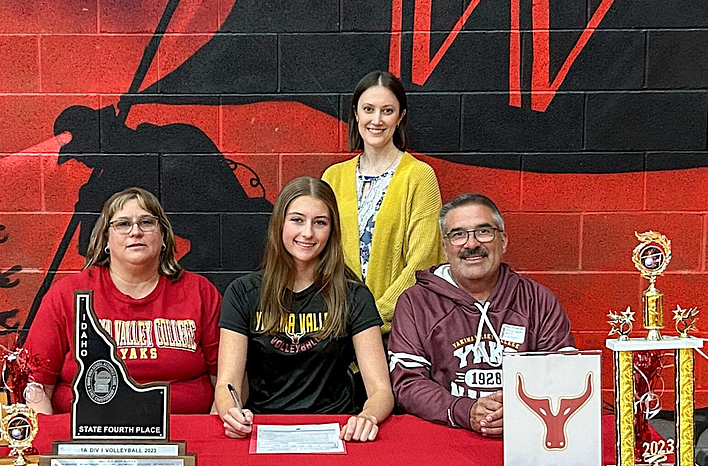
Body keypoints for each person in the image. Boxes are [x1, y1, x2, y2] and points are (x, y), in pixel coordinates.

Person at [215, 177, 393, 442]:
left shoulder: (354, 295)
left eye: (320, 222)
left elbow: (380, 389)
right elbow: (226, 382)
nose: (308, 233)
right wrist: (232, 413)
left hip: (337, 429)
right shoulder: (243, 292)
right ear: (280, 224)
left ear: (332, 230)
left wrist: (367, 417)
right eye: (297, 220)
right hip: (262, 428)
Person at [387, 193, 575, 436]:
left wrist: (520, 409)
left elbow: (565, 374)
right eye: (458, 235)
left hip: (527, 436)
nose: (471, 244)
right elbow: (408, 384)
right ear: (444, 248)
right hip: (445, 438)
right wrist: (465, 411)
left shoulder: (538, 301)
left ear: (504, 241)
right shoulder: (416, 303)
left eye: (484, 232)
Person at [24, 187, 222, 414]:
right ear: (106, 240)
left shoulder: (200, 292)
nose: (135, 232)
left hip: (184, 439)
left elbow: (229, 384)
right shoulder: (66, 295)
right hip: (85, 441)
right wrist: (47, 441)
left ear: (164, 236)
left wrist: (211, 437)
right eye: (123, 224)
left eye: (147, 222)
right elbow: (35, 386)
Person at [322, 71, 444, 331]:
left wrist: (372, 318)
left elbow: (424, 261)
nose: (376, 120)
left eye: (387, 111)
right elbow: (322, 254)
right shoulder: (333, 177)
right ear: (356, 113)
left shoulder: (419, 176)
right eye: (369, 109)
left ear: (400, 117)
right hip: (338, 328)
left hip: (399, 329)